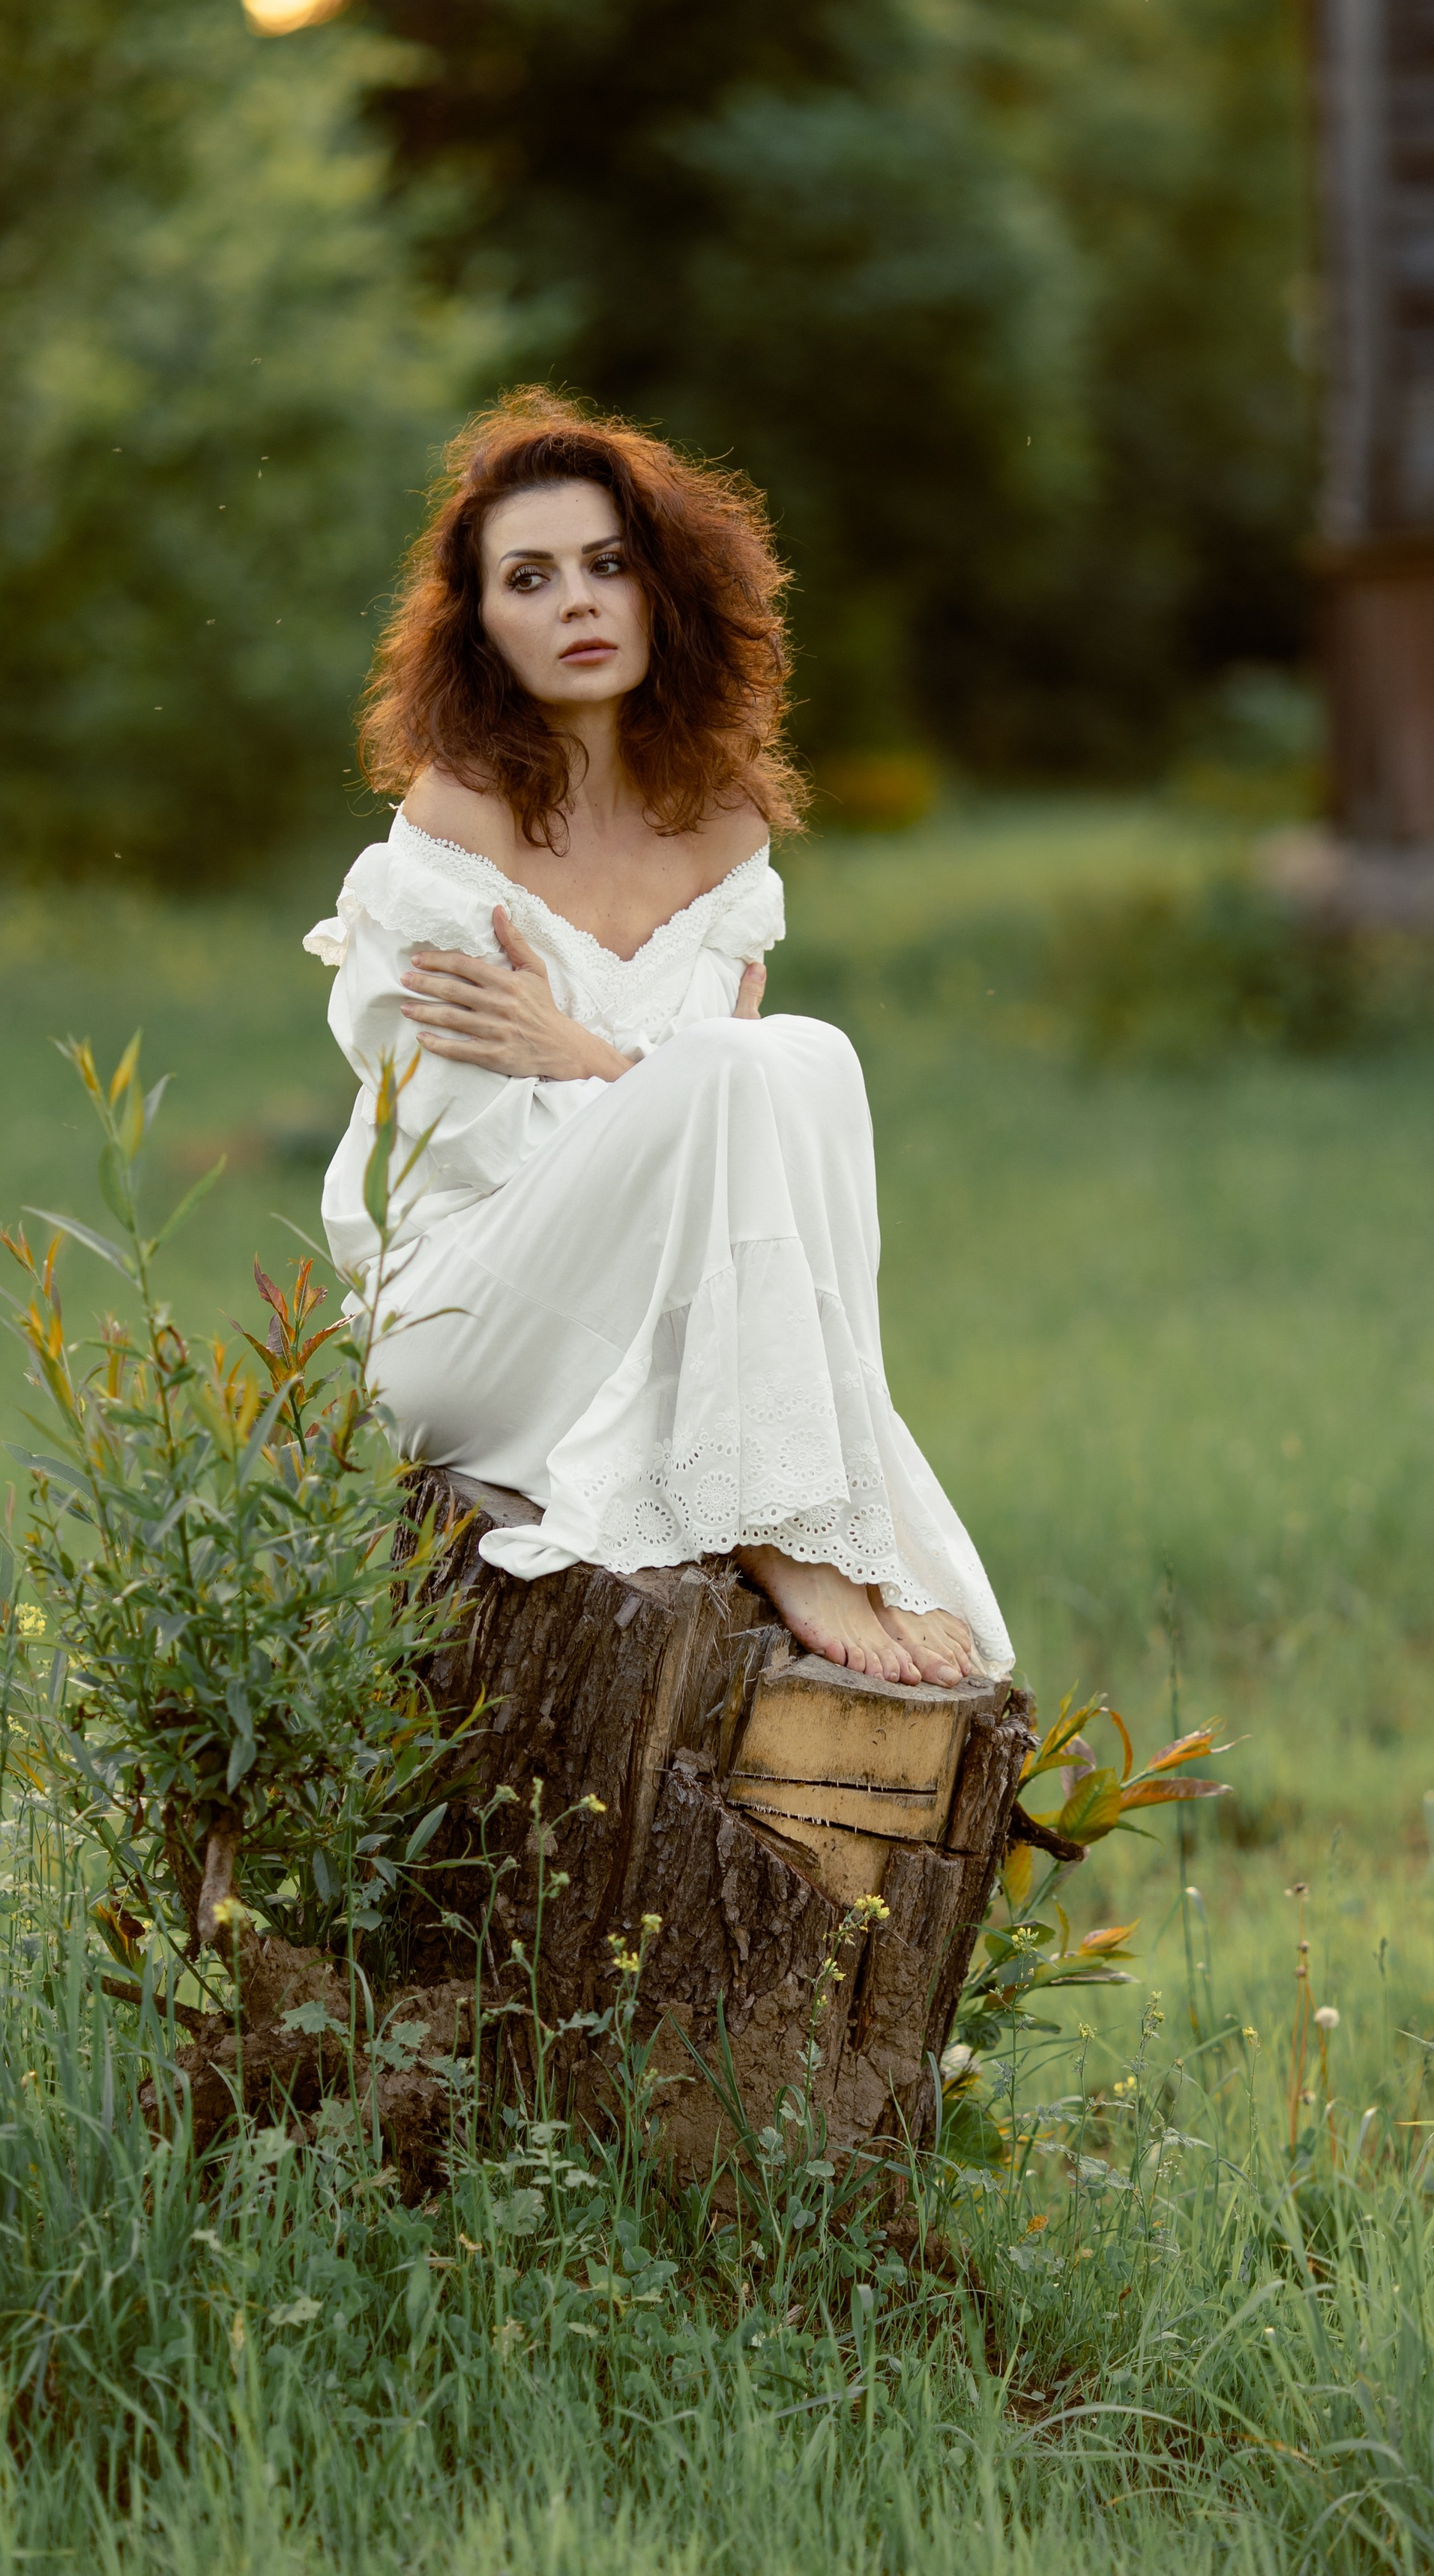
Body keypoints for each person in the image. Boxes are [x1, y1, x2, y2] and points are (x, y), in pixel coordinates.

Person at [305, 393, 1012, 1688]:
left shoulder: (726, 827)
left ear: (663, 590)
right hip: (467, 1316)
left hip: (661, 1315)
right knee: (745, 1073)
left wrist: (580, 1053)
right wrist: (665, 1091)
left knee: (811, 1057)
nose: (577, 602)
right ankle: (779, 1529)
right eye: (531, 578)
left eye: (607, 565)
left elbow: (740, 1155)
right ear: (483, 627)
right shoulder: (453, 829)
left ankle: (792, 1504)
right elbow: (472, 1158)